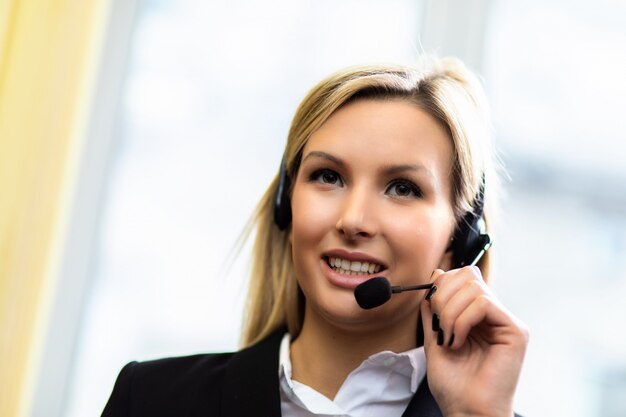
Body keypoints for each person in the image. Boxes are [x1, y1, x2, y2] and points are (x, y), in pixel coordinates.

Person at [102, 56, 528, 417]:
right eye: (329, 176)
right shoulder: (151, 399)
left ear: (463, 237)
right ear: (286, 206)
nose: (353, 220)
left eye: (402, 187)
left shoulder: (483, 413)